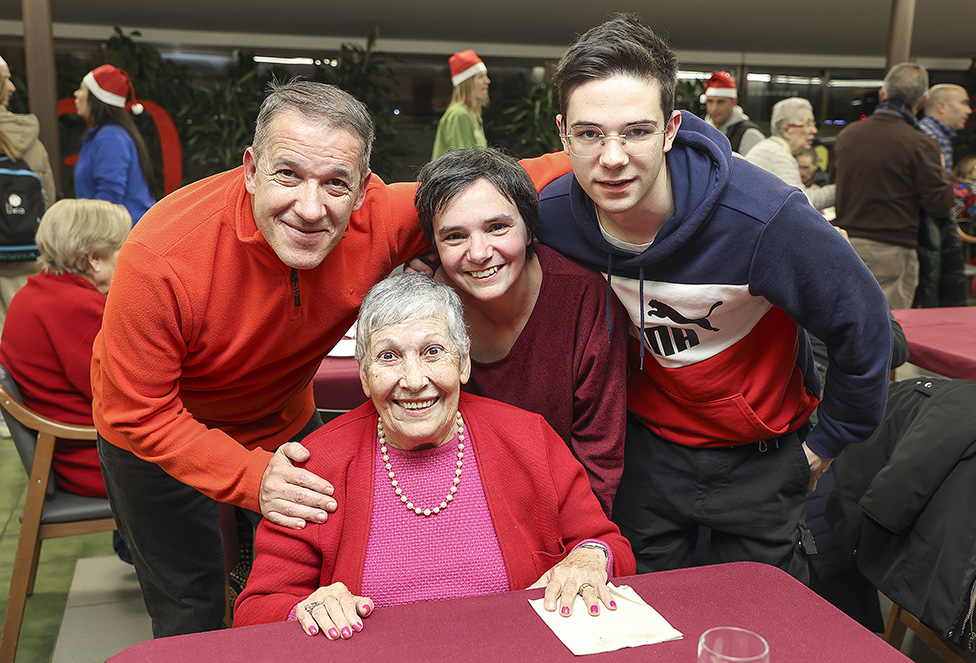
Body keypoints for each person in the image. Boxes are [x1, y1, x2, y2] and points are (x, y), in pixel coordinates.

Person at [92, 80, 570, 638]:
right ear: (250, 169)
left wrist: (660, 143)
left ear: (364, 190)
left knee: (305, 589)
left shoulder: (385, 220)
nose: (311, 207)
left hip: (282, 426)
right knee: (189, 610)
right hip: (157, 435)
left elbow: (520, 179)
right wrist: (251, 476)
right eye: (287, 174)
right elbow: (136, 410)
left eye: (335, 184)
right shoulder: (161, 257)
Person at [536, 15, 890, 581]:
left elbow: (866, 324)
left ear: (672, 128)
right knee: (637, 618)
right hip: (645, 451)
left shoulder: (764, 220)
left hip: (762, 455)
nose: (613, 157)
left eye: (636, 131)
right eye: (590, 134)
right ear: (564, 135)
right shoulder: (554, 216)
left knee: (754, 625)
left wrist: (826, 443)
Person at [234, 273, 634, 636]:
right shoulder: (318, 463)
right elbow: (257, 609)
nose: (413, 380)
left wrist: (590, 558)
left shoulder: (528, 437)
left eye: (433, 352)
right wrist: (308, 609)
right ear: (363, 374)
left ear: (462, 362)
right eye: (388, 356)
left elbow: (605, 544)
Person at [414, 147, 626, 515]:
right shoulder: (423, 310)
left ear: (529, 230)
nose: (479, 252)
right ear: (433, 246)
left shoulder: (585, 300)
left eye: (497, 227)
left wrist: (581, 542)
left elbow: (599, 454)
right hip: (451, 510)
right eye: (454, 237)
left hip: (564, 509)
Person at [0, 199, 129, 496]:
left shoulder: (36, 292)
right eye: (121, 249)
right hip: (96, 459)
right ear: (94, 258)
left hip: (69, 453)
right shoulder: (77, 307)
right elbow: (122, 393)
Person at [833, 63, 954, 310]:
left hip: (843, 244)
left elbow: (837, 183)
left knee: (844, 329)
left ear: (882, 94)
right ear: (922, 101)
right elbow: (940, 205)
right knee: (888, 336)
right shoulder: (921, 144)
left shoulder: (848, 135)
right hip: (893, 251)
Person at [0, 56, 56, 333]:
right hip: (25, 263)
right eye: (6, 79)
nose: (12, 87)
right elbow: (50, 206)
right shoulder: (30, 142)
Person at [914, 84, 973, 308]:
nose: (969, 110)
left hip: (934, 218)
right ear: (941, 106)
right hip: (929, 220)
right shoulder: (927, 137)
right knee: (932, 281)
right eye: (964, 103)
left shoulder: (939, 136)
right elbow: (931, 192)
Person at [73, 64, 156, 225]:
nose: (76, 94)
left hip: (121, 238)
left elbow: (109, 197)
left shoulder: (110, 137)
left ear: (97, 98)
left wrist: (85, 231)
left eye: (82, 89)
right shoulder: (106, 134)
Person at [746, 97, 835, 210]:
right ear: (786, 130)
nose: (814, 130)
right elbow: (799, 206)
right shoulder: (777, 154)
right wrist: (845, 189)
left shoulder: (770, 148)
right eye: (808, 124)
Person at [431, 50, 490, 160]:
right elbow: (464, 165)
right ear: (467, 83)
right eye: (481, 77)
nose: (487, 81)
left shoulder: (471, 115)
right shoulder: (459, 115)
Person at [700, 71, 764, 156]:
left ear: (734, 102)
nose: (714, 108)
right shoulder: (702, 130)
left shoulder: (749, 134)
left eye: (720, 102)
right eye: (710, 101)